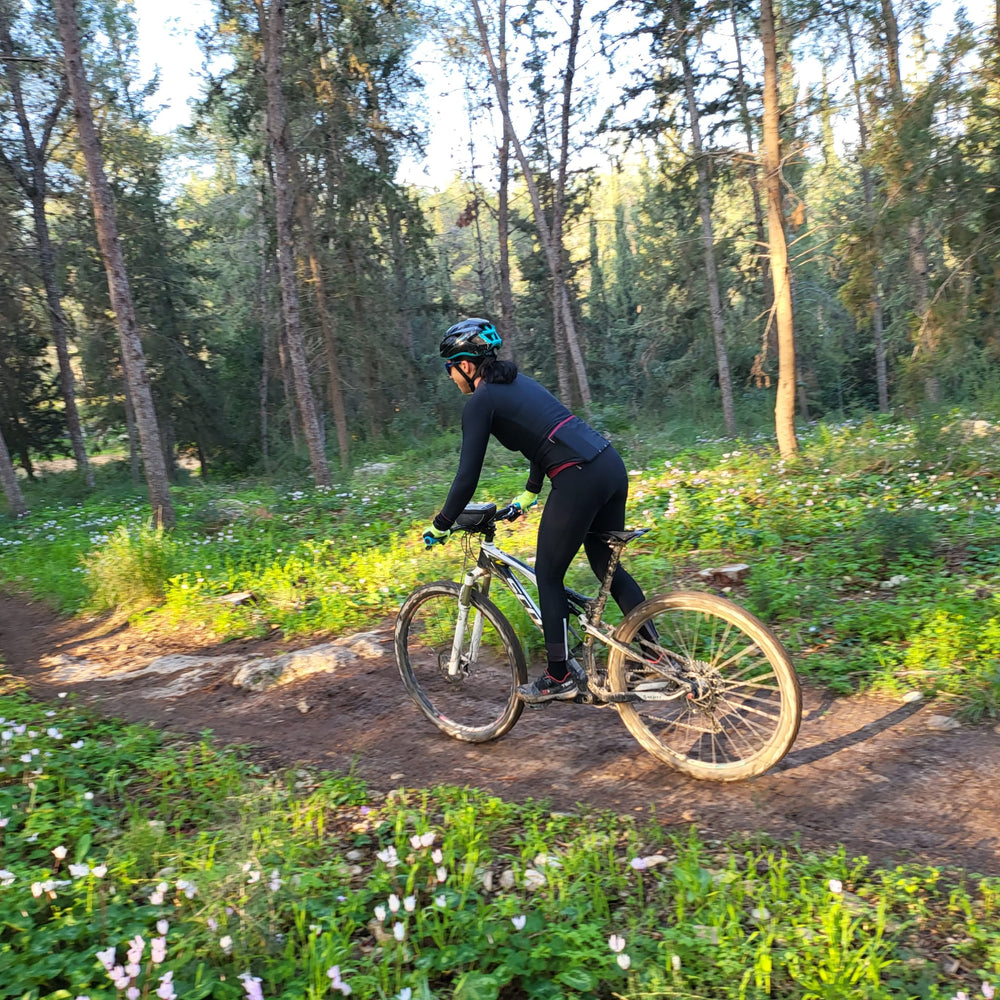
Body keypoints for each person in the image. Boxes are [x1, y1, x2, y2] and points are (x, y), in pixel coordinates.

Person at [422, 317, 649, 704]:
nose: (450, 378)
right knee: (603, 564)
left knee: (548, 572)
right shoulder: (517, 383)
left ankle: (559, 676)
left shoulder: (480, 402)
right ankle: (653, 657)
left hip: (577, 477)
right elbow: (547, 434)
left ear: (465, 364)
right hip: (608, 465)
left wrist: (443, 523)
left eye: (450, 369)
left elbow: (467, 477)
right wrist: (530, 493)